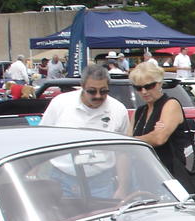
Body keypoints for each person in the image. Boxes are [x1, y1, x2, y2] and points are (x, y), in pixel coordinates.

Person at [39, 64, 130, 197]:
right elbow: (41, 138)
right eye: (92, 91)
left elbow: (123, 152)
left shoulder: (118, 110)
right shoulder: (60, 103)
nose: (98, 96)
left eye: (103, 91)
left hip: (101, 182)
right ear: (82, 86)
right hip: (61, 179)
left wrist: (123, 187)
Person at [130, 62, 195, 202]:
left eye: (149, 86)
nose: (144, 91)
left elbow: (159, 138)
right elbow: (127, 143)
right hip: (143, 178)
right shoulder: (140, 112)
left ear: (159, 83)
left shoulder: (171, 104)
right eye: (138, 88)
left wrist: (136, 139)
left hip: (170, 177)